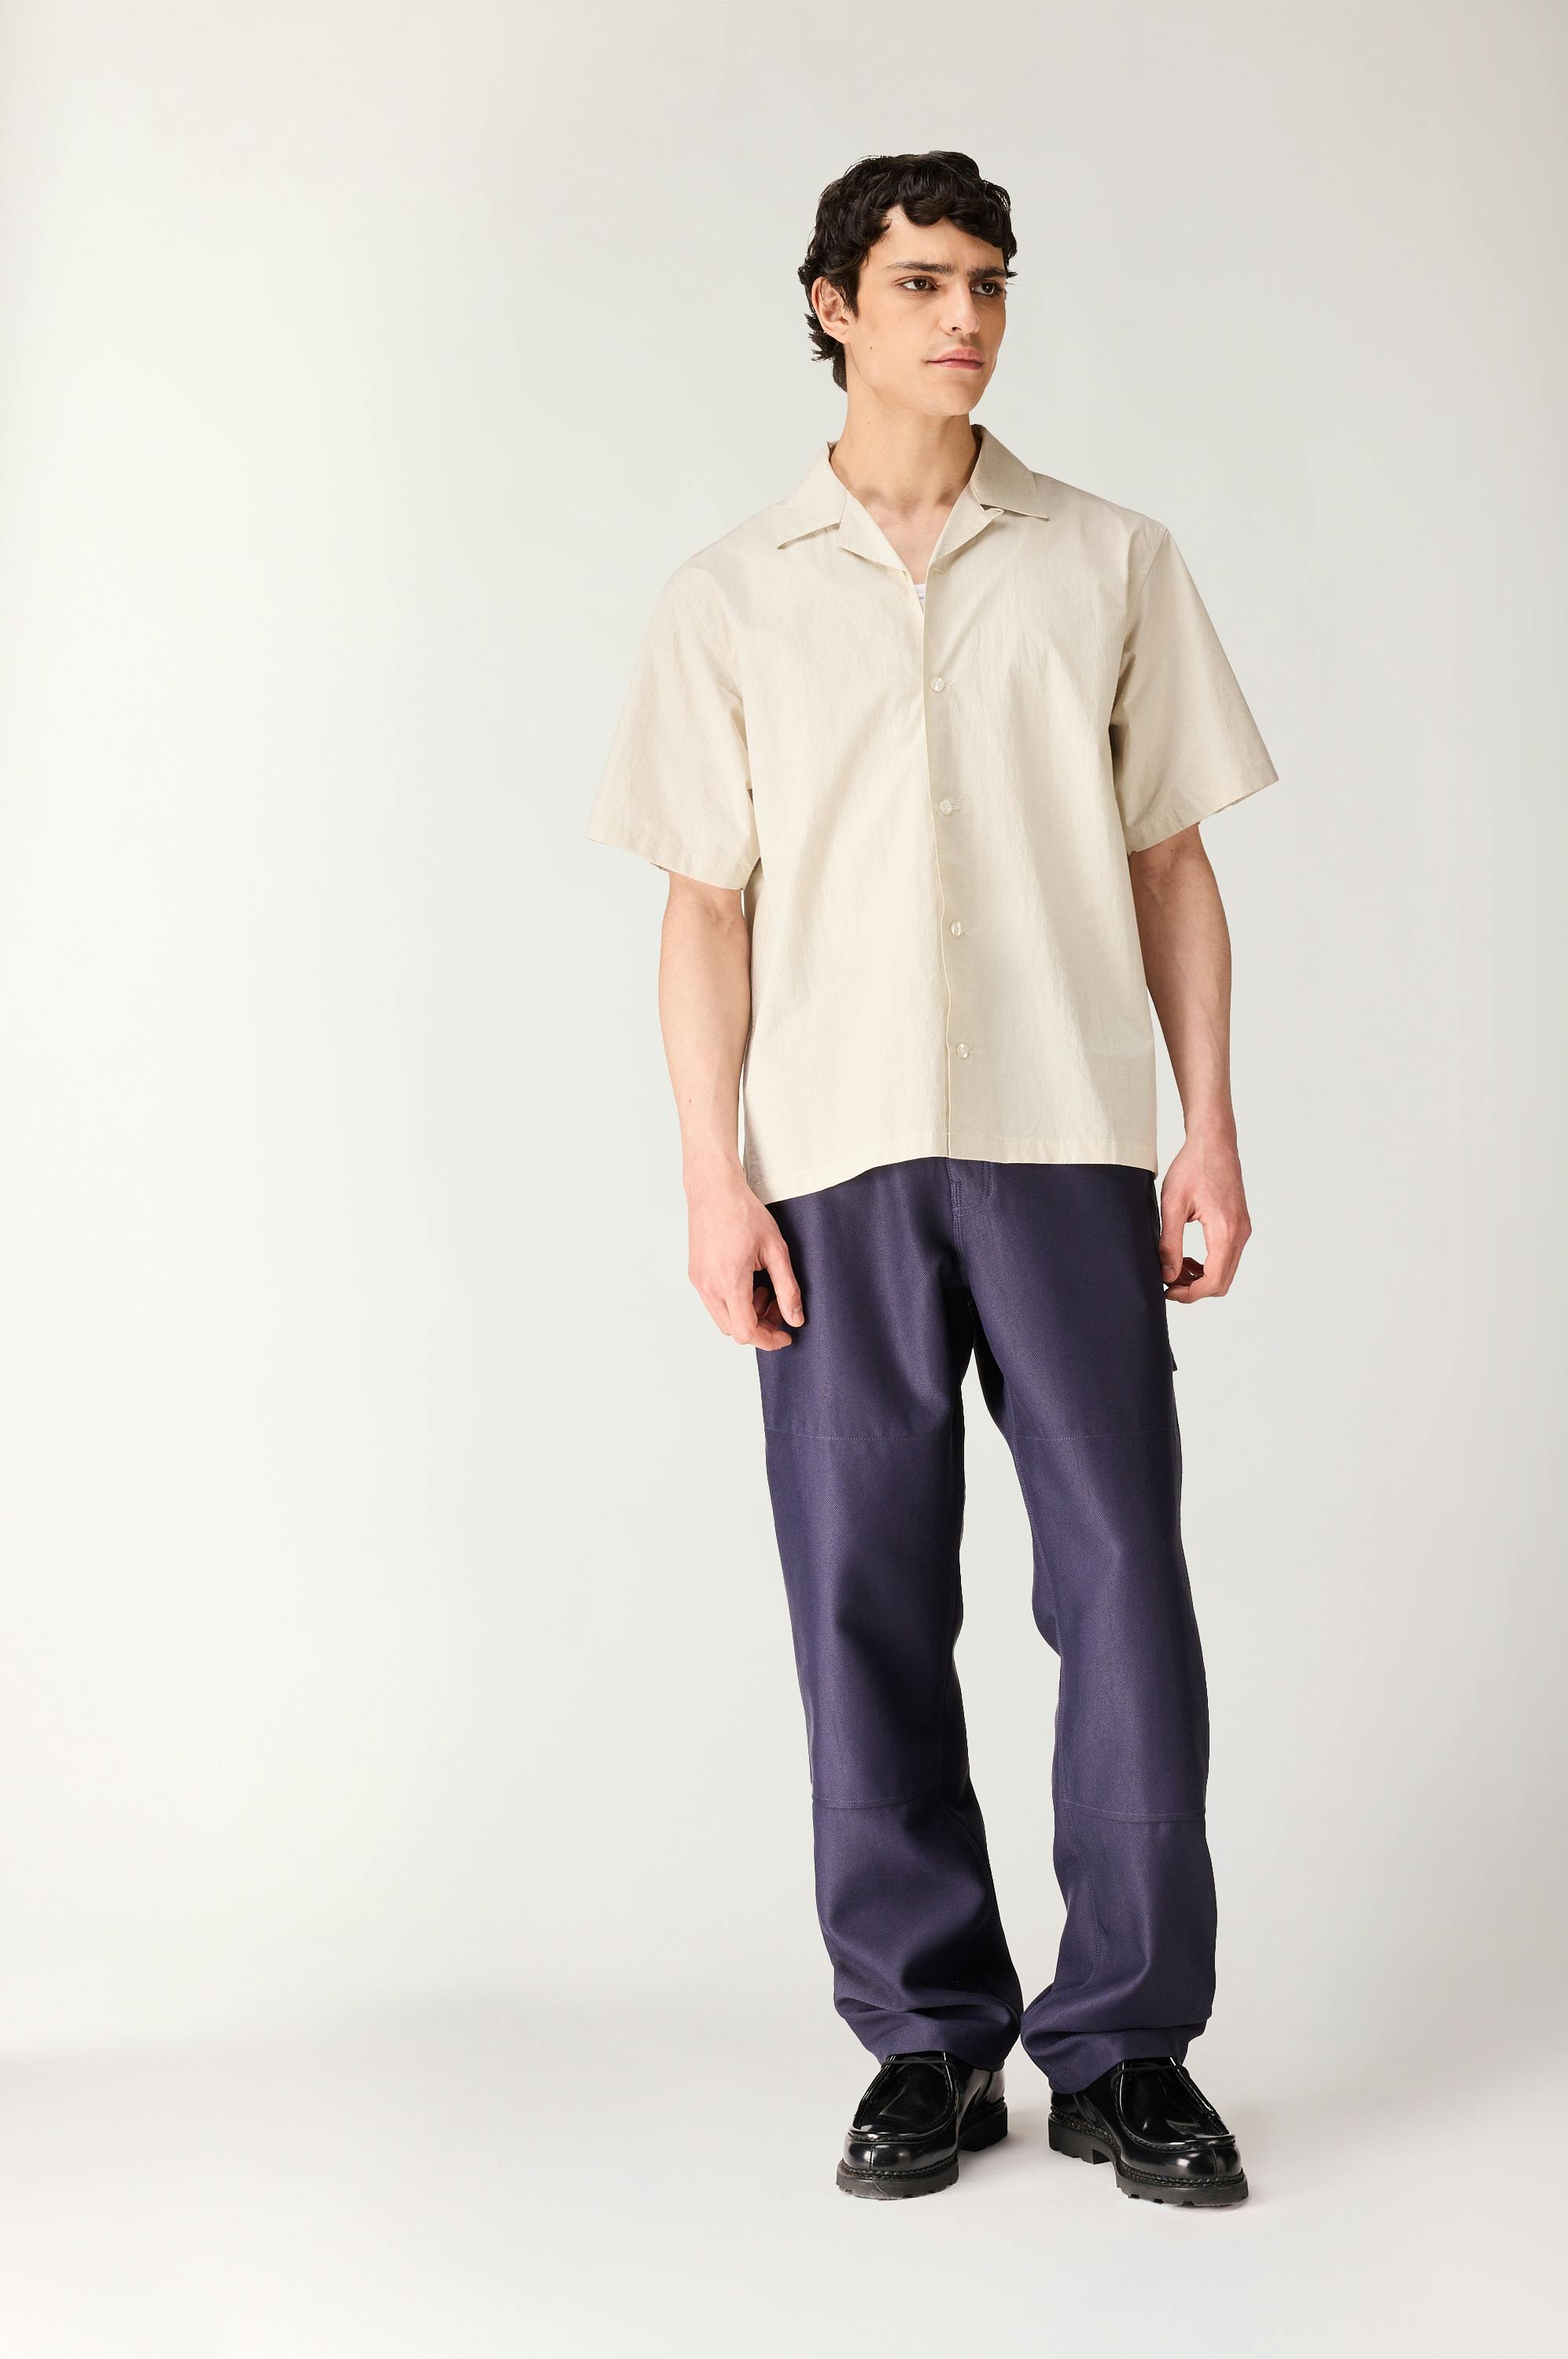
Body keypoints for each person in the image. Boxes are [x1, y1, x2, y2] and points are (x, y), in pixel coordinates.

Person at [587, 151, 1278, 2208]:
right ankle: (927, 2042)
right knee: (861, 1593)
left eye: (986, 282)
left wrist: (1208, 1124)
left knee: (1123, 1585)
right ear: (833, 304)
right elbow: (706, 911)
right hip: (833, 1163)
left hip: (1067, 1140)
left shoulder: (1109, 559)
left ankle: (1131, 2046)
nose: (964, 316)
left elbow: (1173, 861)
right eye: (919, 282)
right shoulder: (732, 593)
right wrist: (713, 1181)